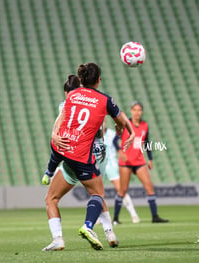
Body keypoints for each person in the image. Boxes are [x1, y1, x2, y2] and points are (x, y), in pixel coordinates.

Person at [42, 63, 135, 251]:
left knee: (51, 198)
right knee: (98, 194)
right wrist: (128, 130)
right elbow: (121, 119)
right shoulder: (104, 99)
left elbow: (61, 117)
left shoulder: (72, 96)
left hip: (67, 152)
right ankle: (99, 230)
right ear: (99, 80)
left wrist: (54, 133)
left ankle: (58, 238)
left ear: (81, 80)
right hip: (90, 154)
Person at [112, 101, 168, 224]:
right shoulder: (126, 123)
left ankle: (155, 216)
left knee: (150, 188)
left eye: (139, 110)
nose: (137, 112)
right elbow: (115, 140)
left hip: (139, 161)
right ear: (131, 111)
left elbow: (147, 143)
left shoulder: (144, 125)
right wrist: (120, 151)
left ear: (141, 112)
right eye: (135, 110)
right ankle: (115, 218)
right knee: (123, 190)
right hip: (126, 162)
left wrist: (150, 159)